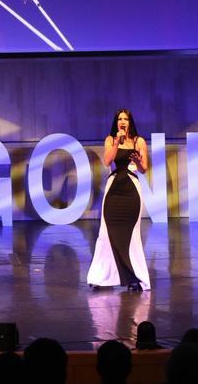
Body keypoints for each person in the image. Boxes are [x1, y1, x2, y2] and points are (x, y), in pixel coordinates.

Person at [86, 109, 151, 292]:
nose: (123, 122)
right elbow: (107, 161)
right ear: (117, 122)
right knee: (106, 234)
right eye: (120, 119)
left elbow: (144, 168)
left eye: (126, 119)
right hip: (114, 189)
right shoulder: (110, 139)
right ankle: (101, 277)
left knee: (131, 236)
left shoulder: (139, 141)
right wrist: (117, 141)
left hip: (131, 189)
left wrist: (138, 160)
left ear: (130, 122)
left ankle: (134, 278)